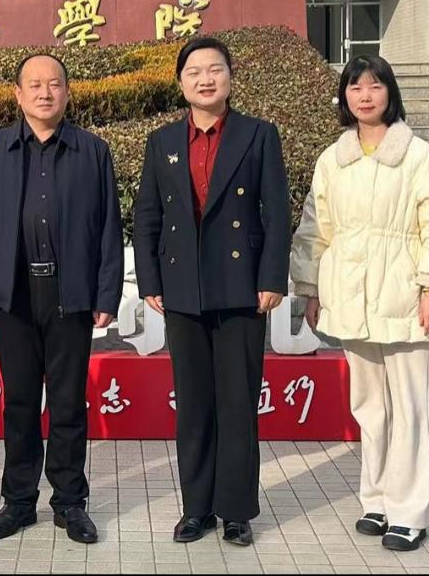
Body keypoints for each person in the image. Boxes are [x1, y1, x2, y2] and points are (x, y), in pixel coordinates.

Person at [290, 55, 429, 553]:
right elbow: (316, 228)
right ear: (344, 96)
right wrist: (310, 288)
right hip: (351, 298)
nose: (365, 95)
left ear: (390, 92)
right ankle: (376, 500)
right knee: (369, 406)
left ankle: (408, 512)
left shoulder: (417, 156)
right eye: (355, 87)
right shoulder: (334, 159)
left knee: (409, 408)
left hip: (405, 297)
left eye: (374, 86)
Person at [132, 35, 291, 547]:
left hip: (242, 289)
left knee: (238, 403)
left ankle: (237, 511)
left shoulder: (257, 134)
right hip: (182, 290)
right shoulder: (162, 141)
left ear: (230, 76)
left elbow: (277, 211)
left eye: (215, 69)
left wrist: (272, 277)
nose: (206, 79)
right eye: (195, 72)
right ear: (181, 82)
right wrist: (151, 281)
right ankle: (196, 508)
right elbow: (148, 215)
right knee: (194, 404)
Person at [0, 54, 124, 545]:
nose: (44, 92)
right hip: (13, 293)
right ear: (18, 94)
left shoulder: (92, 151)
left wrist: (106, 292)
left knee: (68, 402)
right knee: (18, 402)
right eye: (34, 84)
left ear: (67, 92)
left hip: (69, 293)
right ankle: (18, 501)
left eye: (54, 84)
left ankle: (70, 502)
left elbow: (109, 228)